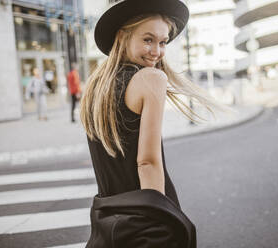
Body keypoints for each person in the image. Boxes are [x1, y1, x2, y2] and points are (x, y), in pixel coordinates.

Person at [80, 0, 230, 246]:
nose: (157, 51)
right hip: (145, 220)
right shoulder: (151, 78)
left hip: (108, 221)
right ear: (122, 36)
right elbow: (147, 162)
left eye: (163, 42)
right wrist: (160, 221)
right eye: (148, 39)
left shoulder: (97, 86)